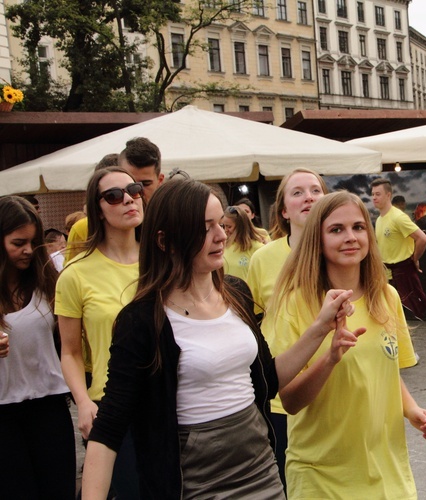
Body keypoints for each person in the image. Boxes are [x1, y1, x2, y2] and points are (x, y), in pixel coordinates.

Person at [81, 179, 357, 499]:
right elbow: (109, 428)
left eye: (221, 224)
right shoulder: (142, 320)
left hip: (261, 470)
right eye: (205, 227)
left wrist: (321, 328)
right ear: (164, 240)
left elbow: (268, 379)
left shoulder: (236, 293)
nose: (221, 236)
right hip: (194, 483)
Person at [266, 191, 426, 499]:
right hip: (323, 477)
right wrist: (330, 358)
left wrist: (412, 410)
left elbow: (385, 370)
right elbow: (289, 401)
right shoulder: (296, 303)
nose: (350, 237)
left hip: (389, 474)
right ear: (316, 240)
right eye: (336, 229)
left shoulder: (386, 297)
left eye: (358, 227)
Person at [56, 167, 144, 499]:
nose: (128, 199)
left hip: (169, 400)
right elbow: (70, 351)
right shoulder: (75, 275)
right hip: (111, 405)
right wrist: (82, 402)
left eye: (133, 190)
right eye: (113, 195)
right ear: (99, 208)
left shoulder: (162, 262)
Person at [246, 167, 329, 488]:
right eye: (297, 192)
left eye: (315, 190)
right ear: (283, 209)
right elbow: (251, 319)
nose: (308, 197)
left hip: (335, 386)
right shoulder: (263, 258)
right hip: (281, 395)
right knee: (283, 481)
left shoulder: (345, 251)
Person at [0, 196, 76, 499]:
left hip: (49, 404)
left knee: (58, 490)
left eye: (33, 242)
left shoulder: (48, 280)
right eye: (18, 242)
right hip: (4, 411)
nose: (29, 250)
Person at [370, 178, 426, 319]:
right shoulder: (379, 219)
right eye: (372, 194)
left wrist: (414, 259)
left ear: (388, 195)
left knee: (408, 314)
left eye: (378, 194)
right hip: (386, 274)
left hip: (402, 272)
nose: (374, 198)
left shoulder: (398, 217)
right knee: (390, 314)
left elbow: (422, 238)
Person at [222, 205, 265, 283]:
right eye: (223, 226)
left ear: (240, 226)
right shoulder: (222, 245)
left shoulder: (258, 248)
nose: (225, 230)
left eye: (229, 227)